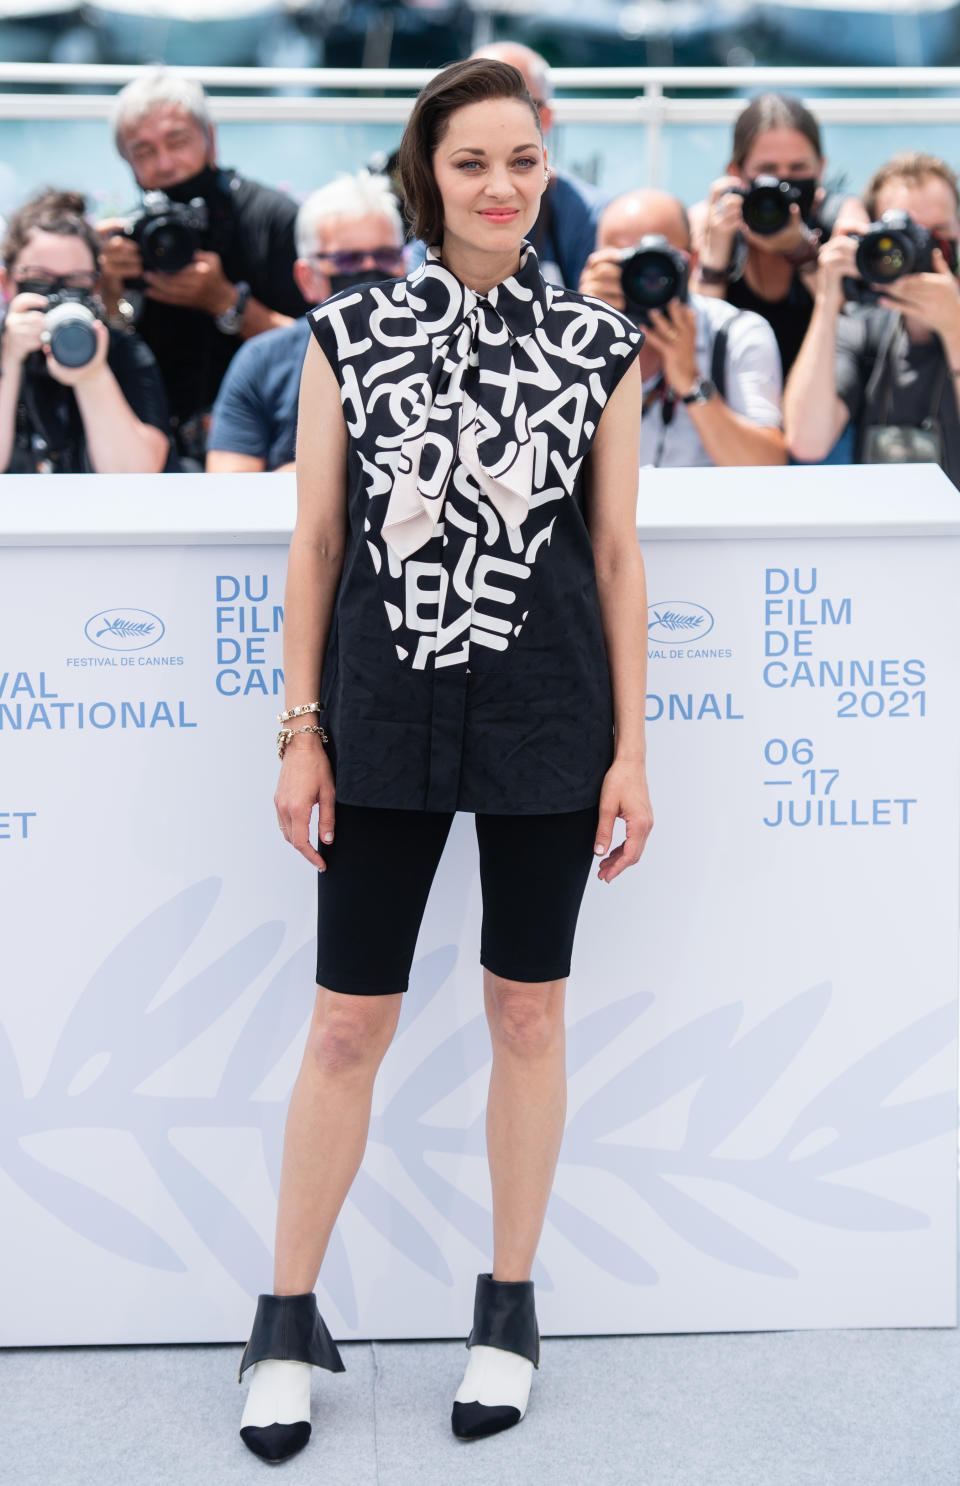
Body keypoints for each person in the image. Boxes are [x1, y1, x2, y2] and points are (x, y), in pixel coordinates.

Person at [235, 57, 652, 1460]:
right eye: (472, 161)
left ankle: (508, 1307)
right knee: (348, 1020)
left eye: (523, 161)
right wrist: (300, 728)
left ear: (545, 175)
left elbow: (611, 556)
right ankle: (284, 1317)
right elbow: (310, 543)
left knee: (526, 1009)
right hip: (382, 708)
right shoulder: (344, 338)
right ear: (427, 177)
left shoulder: (600, 349)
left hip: (547, 704)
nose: (500, 185)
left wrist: (631, 751)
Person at [96, 68, 309, 467]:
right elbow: (110, 355)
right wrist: (108, 289)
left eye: (178, 142)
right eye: (143, 152)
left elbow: (320, 348)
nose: (165, 163)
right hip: (159, 440)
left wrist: (229, 304)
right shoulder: (130, 239)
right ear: (126, 162)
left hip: (265, 442)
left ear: (210, 138)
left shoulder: (272, 218)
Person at [206, 171, 406, 474]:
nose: (370, 269)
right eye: (347, 260)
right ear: (307, 278)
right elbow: (229, 488)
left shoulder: (444, 355)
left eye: (385, 256)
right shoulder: (264, 362)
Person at [784, 151, 960, 486]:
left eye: (935, 234)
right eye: (903, 240)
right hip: (883, 530)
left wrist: (954, 330)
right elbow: (807, 441)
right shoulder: (862, 324)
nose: (920, 254)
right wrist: (827, 298)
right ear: (871, 242)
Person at [579, 189, 786, 468]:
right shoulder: (562, 336)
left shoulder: (734, 333)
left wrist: (691, 383)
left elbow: (769, 468)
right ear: (596, 261)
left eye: (658, 260)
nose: (644, 277)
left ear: (693, 262)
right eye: (627, 261)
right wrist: (583, 336)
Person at [691, 93, 869, 379]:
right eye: (768, 170)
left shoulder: (840, 218)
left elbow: (861, 328)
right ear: (736, 172)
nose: (783, 184)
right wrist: (715, 258)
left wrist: (803, 252)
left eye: (798, 169)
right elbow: (698, 346)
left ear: (821, 167)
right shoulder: (710, 220)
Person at [0, 190, 173, 474]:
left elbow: (136, 476)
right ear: (7, 283)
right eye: (39, 279)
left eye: (75, 281)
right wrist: (8, 360)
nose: (57, 293)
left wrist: (92, 376)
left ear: (95, 286)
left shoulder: (123, 352)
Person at [469, 41, 603, 288]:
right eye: (472, 102)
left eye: (513, 104)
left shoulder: (589, 217)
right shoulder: (440, 207)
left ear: (546, 118)